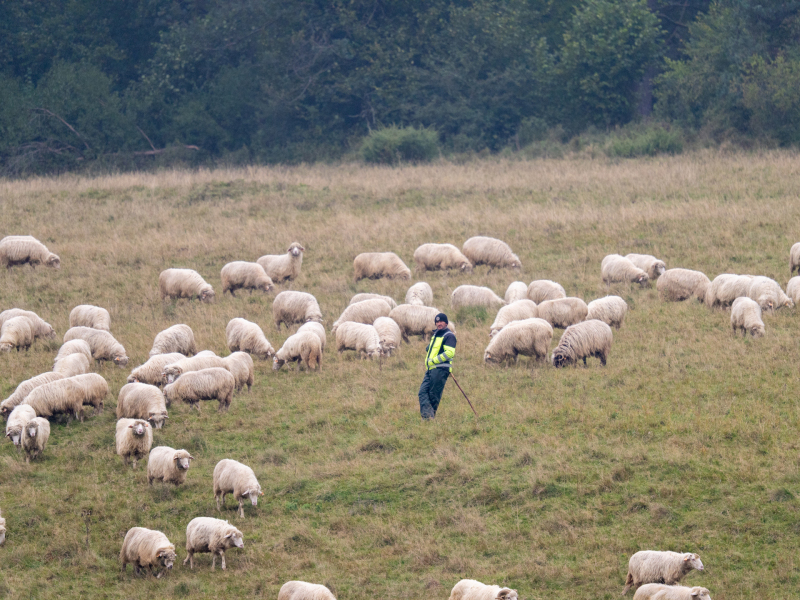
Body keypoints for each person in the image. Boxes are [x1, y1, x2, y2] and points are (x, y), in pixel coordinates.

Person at [418, 313, 456, 419]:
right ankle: (428, 416)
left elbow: (449, 353)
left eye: (441, 321)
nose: (439, 323)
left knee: (433, 395)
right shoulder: (436, 335)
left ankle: (428, 419)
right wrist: (429, 348)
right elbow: (434, 348)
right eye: (437, 322)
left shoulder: (449, 336)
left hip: (440, 369)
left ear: (446, 323)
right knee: (422, 392)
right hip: (431, 368)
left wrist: (434, 360)